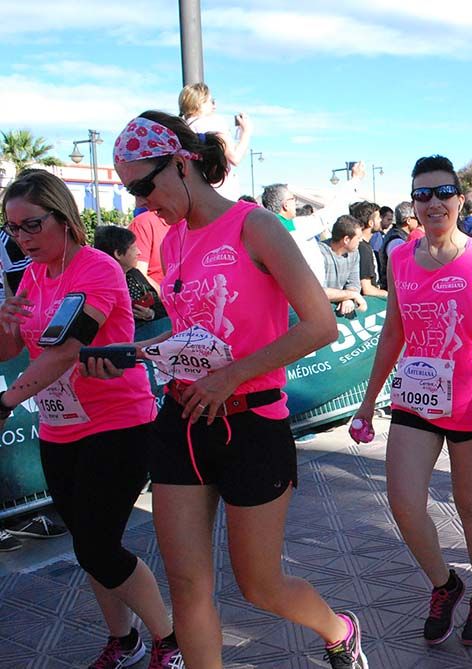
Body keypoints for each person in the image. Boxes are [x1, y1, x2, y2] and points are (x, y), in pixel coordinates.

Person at [110, 111, 366, 668]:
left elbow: (320, 324)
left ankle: (339, 630)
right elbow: (198, 333)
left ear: (181, 163)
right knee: (187, 584)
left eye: (143, 186)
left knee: (259, 585)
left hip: (251, 423)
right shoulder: (173, 241)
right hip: (181, 421)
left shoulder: (256, 226)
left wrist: (233, 374)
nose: (140, 202)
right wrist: (157, 350)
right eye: (130, 192)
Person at [0, 169, 183, 668]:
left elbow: (67, 350)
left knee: (98, 545)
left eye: (31, 225)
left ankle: (170, 643)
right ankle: (124, 642)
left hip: (119, 423)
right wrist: (6, 324)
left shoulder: (97, 268)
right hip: (60, 428)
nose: (21, 239)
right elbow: (12, 350)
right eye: (12, 228)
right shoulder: (32, 274)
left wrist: (7, 402)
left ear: (65, 218)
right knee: (88, 546)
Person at [352, 155, 472, 647]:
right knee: (404, 503)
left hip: (470, 400)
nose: (432, 203)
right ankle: (446, 585)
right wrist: (367, 402)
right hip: (416, 397)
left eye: (442, 192)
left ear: (459, 198)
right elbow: (393, 332)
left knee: (471, 503)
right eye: (421, 195)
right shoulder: (400, 256)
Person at [178, 82, 251, 201]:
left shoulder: (183, 129)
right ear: (200, 103)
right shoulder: (213, 123)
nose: (214, 105)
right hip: (220, 192)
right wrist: (246, 131)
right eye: (211, 101)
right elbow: (234, 158)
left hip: (195, 193)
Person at [93, 225, 168, 324]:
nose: (139, 252)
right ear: (118, 254)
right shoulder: (102, 285)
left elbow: (161, 306)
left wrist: (150, 314)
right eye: (134, 248)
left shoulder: (134, 274)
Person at [318, 216, 368, 315]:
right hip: (317, 311)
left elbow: (353, 283)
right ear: (346, 239)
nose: (361, 240)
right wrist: (351, 295)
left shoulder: (354, 253)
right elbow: (318, 291)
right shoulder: (319, 254)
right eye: (358, 238)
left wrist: (348, 299)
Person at [378, 201, 420, 290]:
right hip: (394, 290)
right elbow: (403, 270)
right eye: (416, 218)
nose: (419, 221)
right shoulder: (396, 241)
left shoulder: (398, 236)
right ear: (408, 220)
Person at [128, 209, 171, 293]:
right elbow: (137, 273)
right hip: (158, 299)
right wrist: (167, 298)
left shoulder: (189, 223)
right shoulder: (143, 223)